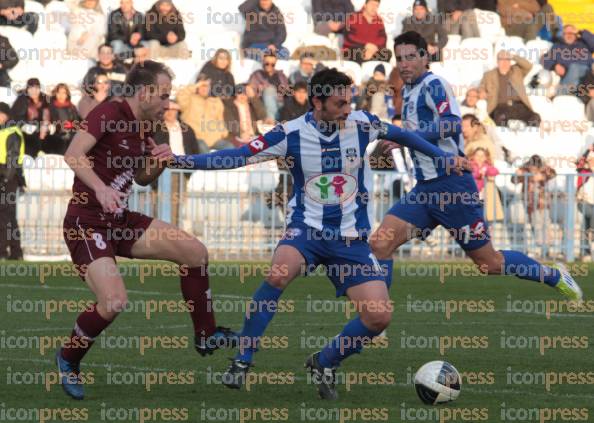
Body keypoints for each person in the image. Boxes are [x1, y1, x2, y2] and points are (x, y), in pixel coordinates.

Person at [170, 67, 468, 398]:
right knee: (278, 274)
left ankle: (325, 361)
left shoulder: (363, 124)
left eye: (349, 101)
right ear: (318, 102)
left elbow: (403, 136)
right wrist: (179, 160)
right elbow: (237, 156)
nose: (347, 110)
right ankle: (242, 359)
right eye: (340, 104)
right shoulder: (289, 133)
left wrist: (444, 158)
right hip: (306, 230)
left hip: (351, 239)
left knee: (378, 316)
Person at [56, 60, 238, 401]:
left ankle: (205, 334)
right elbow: (73, 154)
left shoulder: (146, 125)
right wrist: (100, 189)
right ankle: (68, 358)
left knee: (195, 253)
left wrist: (158, 162)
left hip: (119, 220)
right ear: (144, 92)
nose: (168, 103)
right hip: (87, 221)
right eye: (164, 95)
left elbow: (140, 178)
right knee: (113, 301)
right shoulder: (108, 112)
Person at [369, 31, 582, 313]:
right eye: (400, 58)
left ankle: (554, 275)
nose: (404, 63)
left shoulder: (434, 84)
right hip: (425, 189)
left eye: (411, 57)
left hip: (453, 187)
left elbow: (451, 124)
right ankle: (376, 318)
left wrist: (407, 137)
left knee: (489, 263)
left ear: (425, 57)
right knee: (380, 244)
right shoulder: (407, 90)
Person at [152, 101, 207, 226]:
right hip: (160, 172)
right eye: (168, 110)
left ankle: (173, 234)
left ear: (178, 112)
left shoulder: (187, 130)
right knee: (160, 205)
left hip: (181, 171)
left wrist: (189, 170)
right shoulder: (156, 128)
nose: (171, 113)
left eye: (174, 110)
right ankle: (160, 236)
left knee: (177, 204)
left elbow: (194, 151)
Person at [480, 51, 541, 127]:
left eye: (507, 60)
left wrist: (513, 56)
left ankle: (530, 138)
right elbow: (481, 88)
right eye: (502, 60)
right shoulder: (488, 75)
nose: (504, 62)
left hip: (520, 106)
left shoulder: (516, 70)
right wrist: (482, 92)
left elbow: (528, 66)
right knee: (500, 119)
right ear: (497, 62)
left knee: (535, 118)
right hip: (501, 107)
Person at [511, 155, 556, 257]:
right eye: (532, 166)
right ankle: (539, 247)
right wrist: (517, 174)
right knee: (536, 224)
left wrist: (542, 175)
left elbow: (553, 173)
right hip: (530, 202)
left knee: (545, 223)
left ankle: (546, 248)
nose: (534, 169)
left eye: (536, 167)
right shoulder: (524, 170)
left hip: (543, 201)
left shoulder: (544, 169)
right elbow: (513, 180)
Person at [176, 76, 230, 150]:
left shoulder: (216, 100)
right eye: (202, 86)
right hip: (197, 138)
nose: (204, 88)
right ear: (197, 87)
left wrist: (223, 132)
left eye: (207, 86)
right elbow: (180, 95)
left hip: (214, 138)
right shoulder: (190, 99)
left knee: (230, 148)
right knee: (203, 150)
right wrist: (196, 85)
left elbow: (220, 118)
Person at [0, 102, 24, 260]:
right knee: (8, 215)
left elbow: (13, 158)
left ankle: (3, 251)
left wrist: (5, 178)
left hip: (7, 176)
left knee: (4, 215)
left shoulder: (12, 132)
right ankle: (15, 252)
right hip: (6, 175)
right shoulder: (5, 130)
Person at [543, 25, 594, 96]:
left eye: (571, 33)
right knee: (574, 74)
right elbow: (546, 58)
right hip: (567, 76)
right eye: (566, 33)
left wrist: (581, 32)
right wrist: (554, 66)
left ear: (576, 34)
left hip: (587, 73)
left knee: (575, 67)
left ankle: (560, 95)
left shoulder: (584, 43)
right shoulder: (557, 46)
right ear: (563, 35)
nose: (569, 36)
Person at [10, 78, 49, 157]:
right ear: (27, 89)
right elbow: (14, 116)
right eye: (31, 88)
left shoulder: (45, 99)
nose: (34, 91)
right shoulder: (22, 99)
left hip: (43, 129)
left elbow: (50, 114)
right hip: (28, 131)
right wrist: (23, 126)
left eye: (36, 88)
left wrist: (49, 124)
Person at [247, 52, 289, 122]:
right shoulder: (257, 75)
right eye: (267, 63)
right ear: (263, 62)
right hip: (263, 105)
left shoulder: (281, 75)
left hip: (280, 104)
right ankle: (271, 121)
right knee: (269, 90)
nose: (269, 66)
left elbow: (287, 92)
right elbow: (251, 92)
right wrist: (263, 88)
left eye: (272, 64)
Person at [46, 84, 80, 155]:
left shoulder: (72, 107)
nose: (61, 95)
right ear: (55, 93)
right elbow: (49, 121)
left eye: (64, 93)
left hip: (71, 136)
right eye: (59, 92)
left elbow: (77, 122)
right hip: (56, 136)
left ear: (67, 95)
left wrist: (72, 125)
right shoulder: (50, 106)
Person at [577, 147, 594, 260]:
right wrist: (588, 150)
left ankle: (585, 251)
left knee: (585, 224)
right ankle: (587, 250)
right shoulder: (584, 171)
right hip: (584, 201)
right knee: (591, 215)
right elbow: (579, 163)